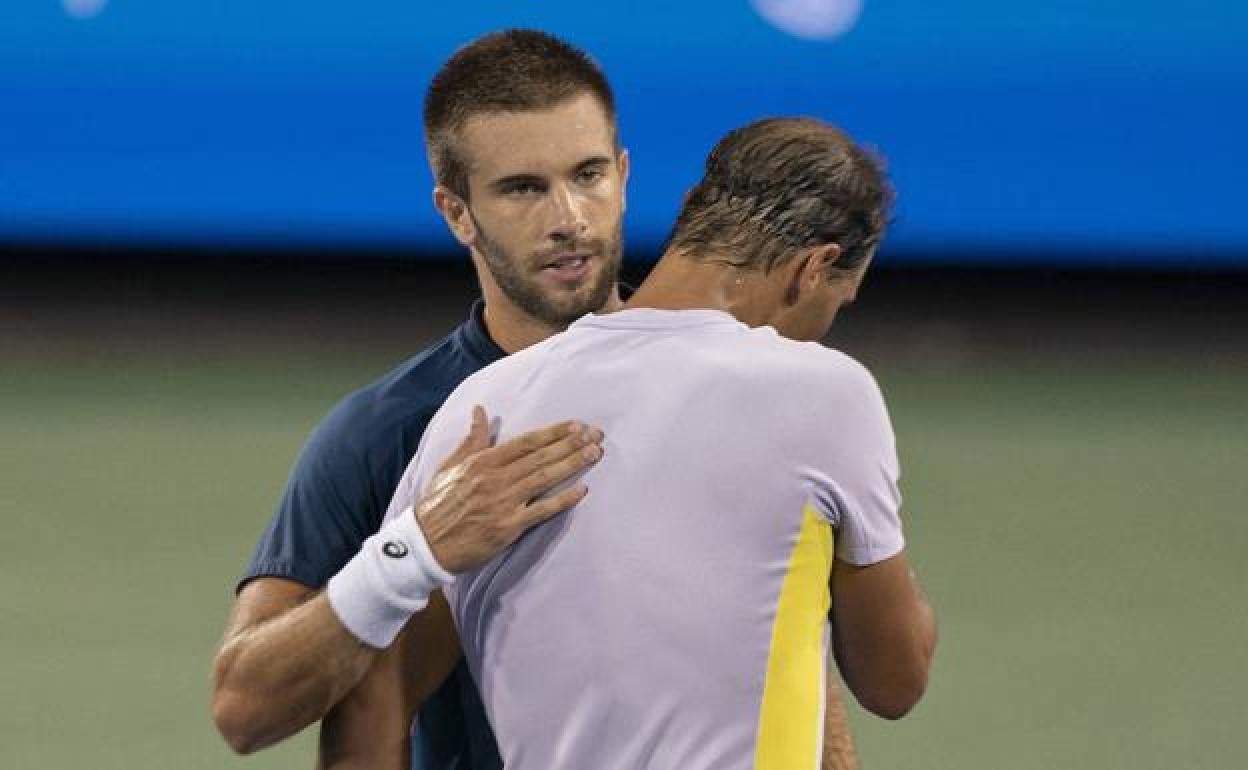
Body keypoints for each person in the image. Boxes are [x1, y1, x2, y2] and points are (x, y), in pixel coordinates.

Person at [211, 30, 863, 770]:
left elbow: (798, 656)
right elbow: (245, 707)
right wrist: (414, 551)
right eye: (523, 188)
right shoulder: (385, 432)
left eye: (588, 175)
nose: (569, 219)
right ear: (457, 212)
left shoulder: (750, 393)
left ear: (624, 174)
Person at [334, 117, 937, 769]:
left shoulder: (482, 404)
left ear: (688, 212)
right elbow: (894, 679)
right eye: (838, 302)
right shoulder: (828, 392)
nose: (826, 328)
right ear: (815, 268)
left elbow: (376, 690)